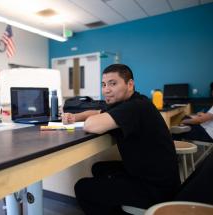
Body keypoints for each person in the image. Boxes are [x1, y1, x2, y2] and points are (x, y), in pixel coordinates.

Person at [62, 64, 180, 215]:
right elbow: (97, 111)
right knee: (99, 168)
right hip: (155, 175)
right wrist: (75, 117)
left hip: (155, 188)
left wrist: (90, 119)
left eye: (113, 83)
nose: (106, 90)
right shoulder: (133, 101)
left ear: (130, 84)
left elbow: (92, 125)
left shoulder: (135, 107)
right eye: (103, 85)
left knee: (82, 187)